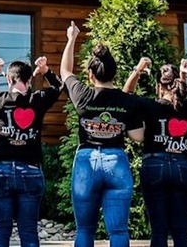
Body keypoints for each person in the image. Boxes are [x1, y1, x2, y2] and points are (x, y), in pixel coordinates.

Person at [60, 21, 144, 247]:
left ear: (90, 75)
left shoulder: (82, 94)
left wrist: (72, 38)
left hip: (86, 160)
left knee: (85, 230)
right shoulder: (127, 101)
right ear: (115, 74)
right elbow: (138, 136)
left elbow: (65, 71)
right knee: (118, 231)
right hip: (116, 160)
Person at [0, 56, 62, 247]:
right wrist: (45, 70)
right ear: (29, 80)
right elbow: (59, 86)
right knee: (29, 230)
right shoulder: (37, 99)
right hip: (30, 171)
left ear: (8, 79)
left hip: (0, 171)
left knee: (0, 229)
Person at [123, 57, 187, 247]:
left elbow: (126, 95)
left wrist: (137, 70)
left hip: (154, 164)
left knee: (158, 229)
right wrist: (183, 77)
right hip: (182, 165)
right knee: (181, 229)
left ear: (159, 85)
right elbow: (182, 98)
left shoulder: (149, 105)